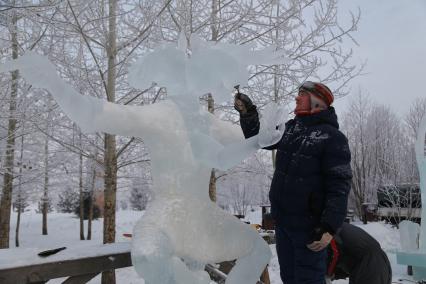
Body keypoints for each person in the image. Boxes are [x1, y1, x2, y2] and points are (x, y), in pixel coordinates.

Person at [234, 81, 352, 284]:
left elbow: (339, 186)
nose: (297, 98)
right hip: (284, 225)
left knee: (308, 280)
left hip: (311, 231)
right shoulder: (290, 129)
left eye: (303, 94)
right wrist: (248, 113)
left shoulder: (332, 137)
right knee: (288, 278)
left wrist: (329, 227)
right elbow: (260, 139)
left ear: (317, 102)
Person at [326, 222, 392, 284]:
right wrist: (335, 274)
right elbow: (349, 257)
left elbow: (334, 255)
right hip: (381, 262)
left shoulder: (328, 230)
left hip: (369, 266)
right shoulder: (338, 225)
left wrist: (328, 273)